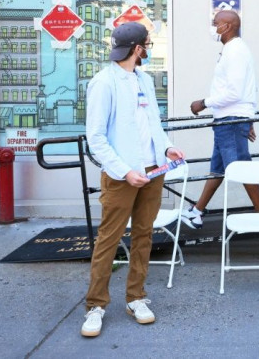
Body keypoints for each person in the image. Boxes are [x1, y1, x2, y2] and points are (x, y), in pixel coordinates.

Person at [82, 22, 185, 337]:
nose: (149, 47)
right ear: (138, 48)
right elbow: (96, 138)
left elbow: (153, 122)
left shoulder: (144, 80)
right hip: (121, 175)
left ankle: (136, 297)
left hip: (152, 170)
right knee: (108, 241)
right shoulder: (103, 83)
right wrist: (125, 170)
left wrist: (167, 147)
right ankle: (96, 306)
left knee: (144, 236)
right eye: (148, 43)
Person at [184, 10, 259, 229]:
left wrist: (203, 103)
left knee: (240, 167)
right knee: (218, 168)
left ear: (227, 26)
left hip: (230, 120)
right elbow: (249, 88)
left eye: (215, 23)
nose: (212, 27)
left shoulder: (235, 51)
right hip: (231, 119)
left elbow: (235, 92)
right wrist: (249, 117)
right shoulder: (234, 49)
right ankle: (197, 211)